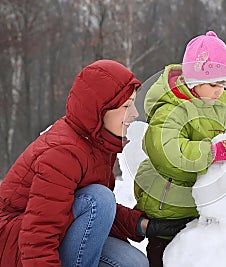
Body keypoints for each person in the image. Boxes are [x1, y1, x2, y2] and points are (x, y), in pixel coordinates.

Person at [0, 60, 192, 267]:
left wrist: (145, 225)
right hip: (15, 245)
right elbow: (39, 236)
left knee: (134, 263)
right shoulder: (63, 153)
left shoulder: (95, 142)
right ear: (101, 109)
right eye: (127, 105)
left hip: (53, 232)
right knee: (98, 199)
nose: (135, 113)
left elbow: (84, 213)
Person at [133, 31, 226, 266]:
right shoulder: (172, 108)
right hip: (167, 204)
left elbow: (218, 147)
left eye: (223, 84)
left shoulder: (216, 109)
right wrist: (212, 152)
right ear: (194, 80)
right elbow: (167, 151)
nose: (219, 91)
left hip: (194, 207)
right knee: (163, 256)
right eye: (213, 84)